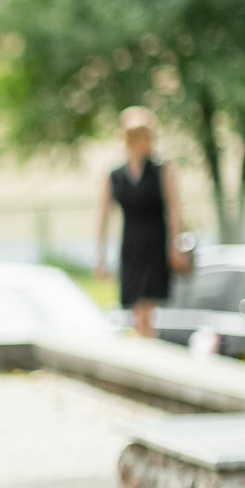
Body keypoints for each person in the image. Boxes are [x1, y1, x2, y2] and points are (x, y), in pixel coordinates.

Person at [96, 106, 186, 337]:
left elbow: (174, 209)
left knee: (148, 306)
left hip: (156, 242)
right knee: (136, 306)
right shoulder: (115, 175)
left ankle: (147, 344)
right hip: (131, 244)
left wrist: (176, 245)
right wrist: (100, 256)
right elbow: (103, 216)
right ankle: (144, 344)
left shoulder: (161, 170)